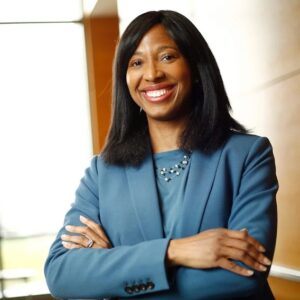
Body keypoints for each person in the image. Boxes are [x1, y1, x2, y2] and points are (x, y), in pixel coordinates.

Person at [44, 10, 278, 300]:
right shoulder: (102, 173)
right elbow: (61, 273)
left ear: (195, 68)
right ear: (125, 79)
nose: (152, 74)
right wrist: (174, 251)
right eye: (136, 62)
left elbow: (245, 272)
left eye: (167, 57)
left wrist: (115, 270)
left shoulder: (247, 155)